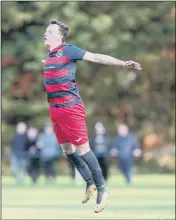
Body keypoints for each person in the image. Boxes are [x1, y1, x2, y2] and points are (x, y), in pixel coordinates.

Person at [42, 19, 142, 213]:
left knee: (83, 149)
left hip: (70, 108)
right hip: (54, 108)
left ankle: (102, 189)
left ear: (59, 36)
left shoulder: (68, 50)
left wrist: (122, 64)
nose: (45, 33)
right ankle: (89, 182)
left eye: (49, 30)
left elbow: (95, 57)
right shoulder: (50, 54)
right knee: (67, 149)